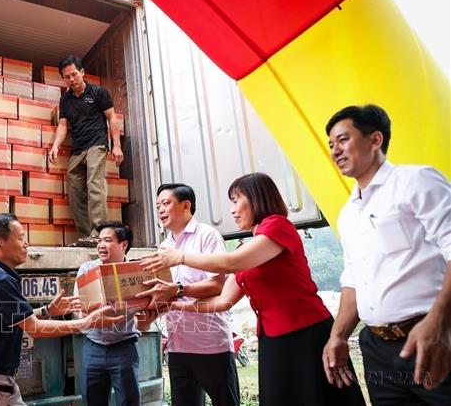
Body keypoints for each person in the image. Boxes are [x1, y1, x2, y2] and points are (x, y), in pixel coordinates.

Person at [141, 174, 366, 406]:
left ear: (257, 198)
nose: (232, 210)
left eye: (236, 200)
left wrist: (180, 257)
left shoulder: (278, 226)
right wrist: (173, 304)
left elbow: (231, 263)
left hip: (306, 333)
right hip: (272, 339)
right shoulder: (250, 247)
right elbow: (223, 301)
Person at [323, 104, 451, 405]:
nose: (335, 150)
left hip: (431, 336)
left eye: (343, 139)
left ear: (375, 139)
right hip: (377, 348)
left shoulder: (415, 181)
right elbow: (353, 280)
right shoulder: (348, 213)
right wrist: (338, 335)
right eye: (330, 144)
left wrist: (438, 323)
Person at [0, 213, 124, 406]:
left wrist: (47, 311)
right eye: (20, 238)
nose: (26, 244)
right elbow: (34, 328)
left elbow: (16, 319)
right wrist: (86, 323)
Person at [136, 183, 240, 406]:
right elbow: (166, 294)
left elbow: (217, 284)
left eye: (166, 203)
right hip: (178, 346)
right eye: (157, 206)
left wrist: (178, 289)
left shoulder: (207, 235)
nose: (160, 210)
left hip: (211, 344)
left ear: (186, 206)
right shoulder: (164, 247)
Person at [74, 221, 156, 406]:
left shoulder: (136, 273)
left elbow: (145, 315)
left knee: (129, 401)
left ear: (124, 244)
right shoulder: (87, 269)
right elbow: (79, 308)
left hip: (124, 348)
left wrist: (145, 322)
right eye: (99, 241)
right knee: (92, 400)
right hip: (93, 347)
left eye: (107, 240)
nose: (101, 245)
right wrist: (85, 317)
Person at [48, 55, 123, 247]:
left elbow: (112, 117)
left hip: (97, 144)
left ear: (82, 72)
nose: (71, 79)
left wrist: (116, 145)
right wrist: (55, 145)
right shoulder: (65, 99)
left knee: (94, 184)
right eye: (67, 76)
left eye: (74, 74)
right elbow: (63, 124)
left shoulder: (98, 92)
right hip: (77, 149)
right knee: (74, 191)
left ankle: (99, 233)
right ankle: (85, 236)